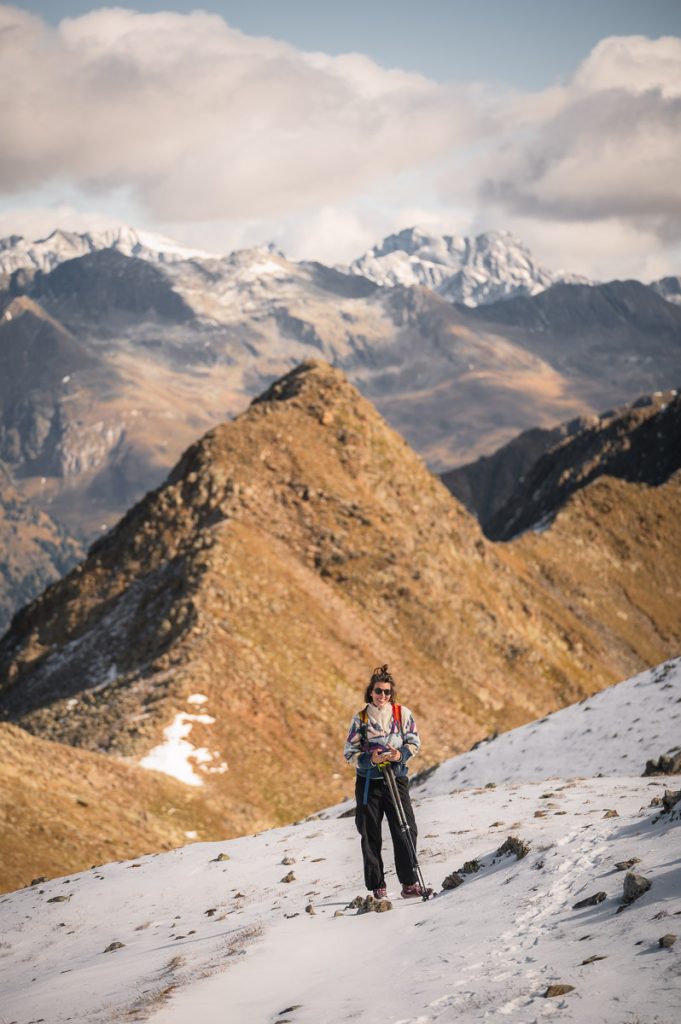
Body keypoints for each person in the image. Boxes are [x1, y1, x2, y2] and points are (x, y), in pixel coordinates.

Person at [344, 664, 430, 899]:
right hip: (369, 782)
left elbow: (414, 742)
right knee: (370, 832)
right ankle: (377, 886)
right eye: (378, 691)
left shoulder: (402, 714)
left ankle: (409, 883)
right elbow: (349, 753)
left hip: (396, 777)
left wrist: (399, 754)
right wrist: (369, 759)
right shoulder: (360, 719)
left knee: (406, 828)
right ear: (370, 692)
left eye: (387, 692)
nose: (383, 695)